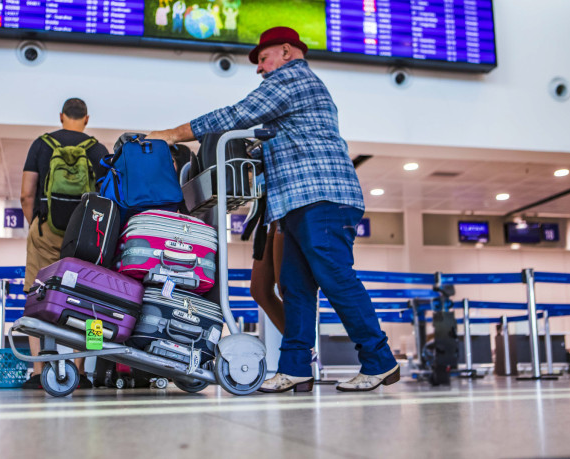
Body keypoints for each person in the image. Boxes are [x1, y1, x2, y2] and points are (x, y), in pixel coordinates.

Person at [148, 26, 399, 393]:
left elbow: (238, 114)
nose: (260, 68)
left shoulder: (293, 78)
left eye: (263, 58)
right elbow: (278, 141)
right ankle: (295, 367)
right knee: (295, 288)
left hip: (322, 197)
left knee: (336, 279)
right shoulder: (292, 91)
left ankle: (380, 361)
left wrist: (171, 134)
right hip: (297, 202)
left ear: (286, 51)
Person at [20, 98, 109, 389]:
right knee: (92, 299)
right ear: (86, 118)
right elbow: (108, 198)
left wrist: (37, 224)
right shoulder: (97, 149)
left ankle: (38, 371)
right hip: (86, 235)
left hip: (46, 229)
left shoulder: (41, 145)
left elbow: (26, 194)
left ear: (61, 117)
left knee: (37, 294)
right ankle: (81, 369)